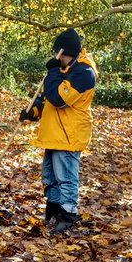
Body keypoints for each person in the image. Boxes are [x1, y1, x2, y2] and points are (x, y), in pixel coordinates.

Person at [20, 28, 97, 234]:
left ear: (65, 53)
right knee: (50, 177)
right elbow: (46, 99)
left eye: (58, 54)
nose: (56, 57)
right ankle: (53, 210)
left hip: (69, 135)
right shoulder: (61, 71)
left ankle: (67, 214)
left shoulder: (84, 73)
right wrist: (32, 111)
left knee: (66, 177)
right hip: (53, 134)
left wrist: (53, 72)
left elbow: (59, 99)